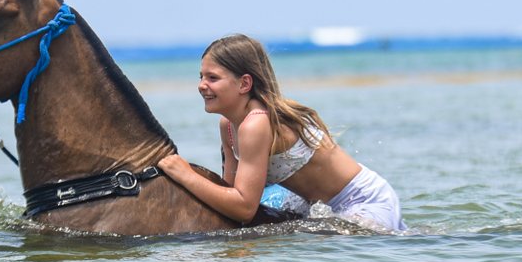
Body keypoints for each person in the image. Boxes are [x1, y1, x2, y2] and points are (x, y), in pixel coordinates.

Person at [157, 34, 406, 232]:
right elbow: (230, 193)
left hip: (363, 201)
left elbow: (243, 207)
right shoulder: (228, 124)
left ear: (244, 84)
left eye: (213, 78)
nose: (201, 85)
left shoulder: (256, 124)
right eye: (201, 76)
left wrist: (184, 174)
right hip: (313, 202)